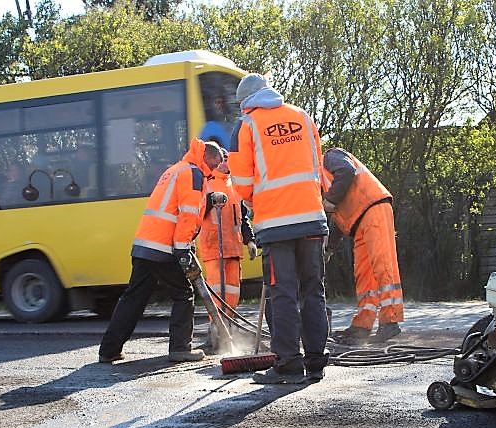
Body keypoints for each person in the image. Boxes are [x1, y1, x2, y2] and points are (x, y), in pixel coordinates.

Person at [228, 73, 329, 384]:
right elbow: (317, 164)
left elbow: (241, 182)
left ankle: (288, 364)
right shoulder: (302, 116)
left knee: (282, 293)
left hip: (276, 224)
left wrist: (256, 202)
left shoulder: (246, 125)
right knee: (313, 291)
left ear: (245, 103)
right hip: (312, 217)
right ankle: (315, 363)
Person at [98, 138, 224, 364]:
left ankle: (109, 350)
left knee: (133, 298)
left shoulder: (176, 170)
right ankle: (180, 348)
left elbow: (174, 203)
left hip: (145, 243)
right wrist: (184, 248)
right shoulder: (194, 174)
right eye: (215, 164)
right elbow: (187, 213)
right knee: (184, 294)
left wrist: (208, 199)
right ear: (206, 157)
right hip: (165, 246)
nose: (215, 169)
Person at [322, 147, 403, 343]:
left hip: (374, 209)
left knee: (383, 265)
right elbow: (338, 217)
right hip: (358, 222)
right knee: (364, 276)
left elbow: (347, 172)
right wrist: (330, 248)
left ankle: (390, 322)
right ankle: (362, 326)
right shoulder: (319, 179)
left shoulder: (330, 157)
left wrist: (330, 199)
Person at [198, 148, 257, 349]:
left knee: (232, 293)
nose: (226, 163)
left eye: (228, 160)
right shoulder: (206, 182)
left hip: (232, 248)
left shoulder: (236, 186)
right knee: (216, 292)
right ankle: (215, 332)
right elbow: (196, 209)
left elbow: (243, 217)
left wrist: (249, 241)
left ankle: (228, 329)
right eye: (223, 160)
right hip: (214, 246)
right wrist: (209, 201)